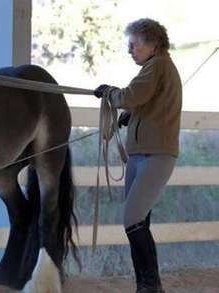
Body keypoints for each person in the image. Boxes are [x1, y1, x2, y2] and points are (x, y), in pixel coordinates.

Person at [94, 18, 182, 293]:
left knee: (132, 218)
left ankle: (150, 286)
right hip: (143, 154)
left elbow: (131, 95)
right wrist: (133, 115)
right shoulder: (158, 67)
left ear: (153, 45)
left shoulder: (156, 66)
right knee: (139, 220)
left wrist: (110, 93)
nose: (129, 50)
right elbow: (148, 101)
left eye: (133, 45)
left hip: (155, 154)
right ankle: (145, 285)